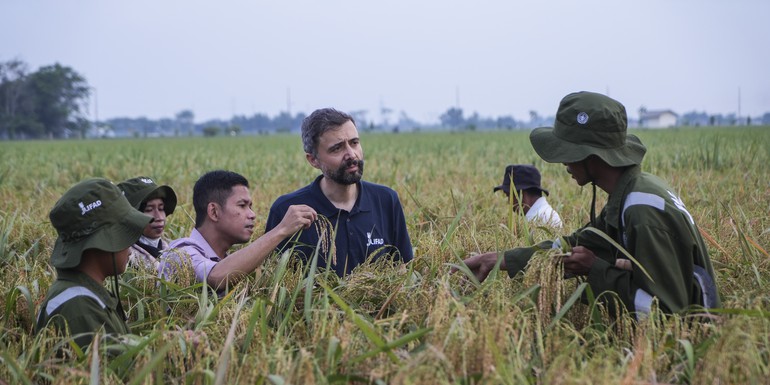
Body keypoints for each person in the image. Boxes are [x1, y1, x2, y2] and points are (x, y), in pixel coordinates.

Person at [461, 91, 720, 316]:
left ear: (593, 157)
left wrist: (595, 270)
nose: (564, 164)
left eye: (568, 154)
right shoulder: (628, 196)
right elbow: (574, 245)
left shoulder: (642, 211)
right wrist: (499, 260)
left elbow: (666, 313)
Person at [265, 108, 413, 276]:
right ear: (313, 160)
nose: (351, 155)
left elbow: (403, 270)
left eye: (354, 143)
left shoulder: (386, 200)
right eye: (337, 148)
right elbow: (273, 282)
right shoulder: (287, 210)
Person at [35, 178, 153, 349]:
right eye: (123, 234)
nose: (129, 248)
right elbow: (114, 371)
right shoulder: (78, 307)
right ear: (103, 241)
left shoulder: (87, 295)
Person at [158, 170, 317, 292]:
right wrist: (281, 230)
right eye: (242, 205)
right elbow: (217, 277)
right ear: (214, 212)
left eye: (251, 207)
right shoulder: (181, 253)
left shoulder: (228, 260)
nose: (252, 215)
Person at [118, 176, 177, 270]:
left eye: (161, 209)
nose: (159, 217)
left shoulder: (175, 252)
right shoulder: (124, 262)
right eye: (149, 209)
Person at [493, 164, 562, 228]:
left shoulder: (543, 218)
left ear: (521, 194)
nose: (509, 202)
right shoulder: (539, 215)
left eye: (509, 196)